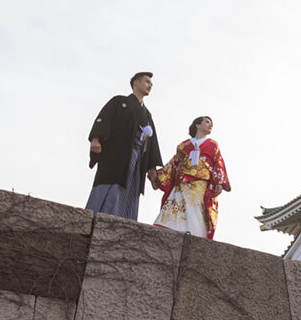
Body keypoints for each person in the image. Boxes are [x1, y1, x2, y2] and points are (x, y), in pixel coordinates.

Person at [85, 71, 163, 220]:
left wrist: (152, 168)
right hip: (115, 156)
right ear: (136, 83)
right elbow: (104, 119)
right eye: (147, 82)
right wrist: (95, 139)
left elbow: (152, 143)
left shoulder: (147, 114)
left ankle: (124, 224)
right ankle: (97, 219)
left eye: (151, 84)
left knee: (130, 193)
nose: (150, 85)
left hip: (136, 160)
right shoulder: (119, 102)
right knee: (109, 189)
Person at [151, 116, 231, 239]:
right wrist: (157, 176)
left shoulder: (213, 145)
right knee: (175, 205)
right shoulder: (183, 146)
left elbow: (218, 163)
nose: (210, 125)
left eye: (211, 124)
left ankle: (197, 235)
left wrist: (219, 182)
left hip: (199, 184)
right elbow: (173, 164)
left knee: (196, 209)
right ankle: (167, 229)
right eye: (207, 122)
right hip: (181, 183)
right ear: (197, 125)